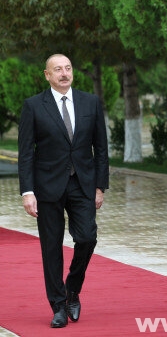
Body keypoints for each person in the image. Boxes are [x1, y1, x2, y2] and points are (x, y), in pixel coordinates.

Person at [18, 54, 109, 328]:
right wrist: (27, 191)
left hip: (82, 183)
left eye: (68, 68)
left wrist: (100, 186)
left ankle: (72, 288)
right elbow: (25, 154)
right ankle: (58, 306)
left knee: (87, 238)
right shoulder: (34, 106)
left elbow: (101, 149)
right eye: (57, 69)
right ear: (47, 75)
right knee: (51, 248)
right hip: (47, 186)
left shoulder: (90, 102)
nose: (64, 73)